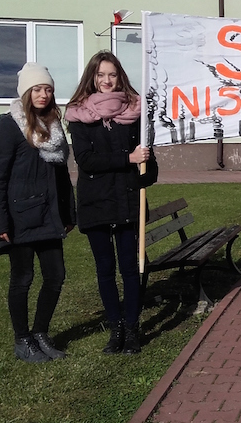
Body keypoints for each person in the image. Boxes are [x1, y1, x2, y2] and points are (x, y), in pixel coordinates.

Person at [65, 51, 158, 354]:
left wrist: (146, 167)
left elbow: (148, 164)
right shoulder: (79, 115)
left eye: (112, 75)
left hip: (128, 200)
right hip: (96, 203)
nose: (106, 81)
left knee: (130, 268)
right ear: (92, 78)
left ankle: (131, 328)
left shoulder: (134, 111)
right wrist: (127, 158)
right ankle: (115, 327)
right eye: (100, 75)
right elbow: (86, 161)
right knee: (105, 269)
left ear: (120, 76)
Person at [0, 63, 76, 363]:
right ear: (26, 91)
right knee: (22, 279)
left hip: (49, 216)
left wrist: (68, 213)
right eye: (37, 89)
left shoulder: (53, 126)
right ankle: (22, 340)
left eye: (48, 89)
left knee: (56, 276)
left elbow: (61, 175)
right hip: (19, 218)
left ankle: (40, 333)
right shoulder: (9, 126)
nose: (44, 94)